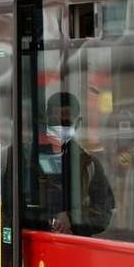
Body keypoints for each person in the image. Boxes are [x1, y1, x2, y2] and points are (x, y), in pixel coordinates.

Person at [36, 91, 114, 236]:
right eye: (55, 121)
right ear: (46, 119)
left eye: (65, 122)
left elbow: (103, 213)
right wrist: (49, 220)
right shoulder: (26, 159)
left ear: (78, 123)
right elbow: (11, 208)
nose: (59, 126)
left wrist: (71, 220)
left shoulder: (89, 164)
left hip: (75, 246)